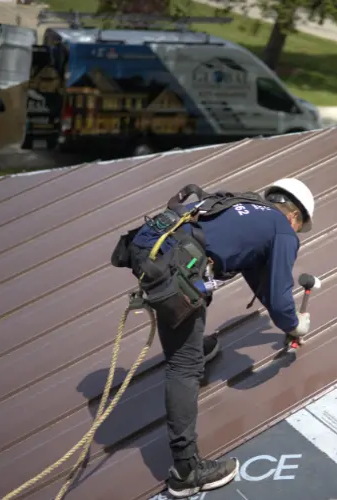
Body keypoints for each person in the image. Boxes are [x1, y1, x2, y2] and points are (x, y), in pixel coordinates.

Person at [130, 178, 315, 498]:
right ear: (295, 216)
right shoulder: (282, 229)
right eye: (298, 227)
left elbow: (256, 273)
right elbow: (280, 297)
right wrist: (294, 323)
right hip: (177, 268)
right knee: (183, 367)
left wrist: (280, 313)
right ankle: (186, 471)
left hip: (154, 248)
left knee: (204, 284)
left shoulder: (244, 206)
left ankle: (193, 342)